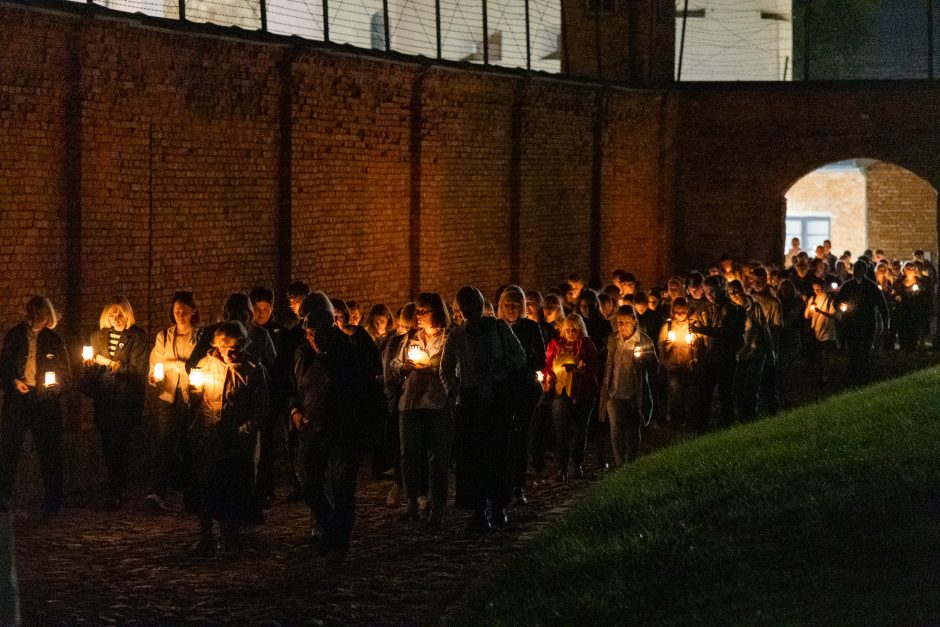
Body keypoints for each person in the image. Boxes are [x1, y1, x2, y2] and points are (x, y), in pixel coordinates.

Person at [292, 293, 379, 558]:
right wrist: (295, 412)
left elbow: (366, 391)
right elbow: (295, 388)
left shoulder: (350, 354)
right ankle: (331, 529)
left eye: (317, 332)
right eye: (308, 333)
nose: (313, 338)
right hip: (312, 430)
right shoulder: (303, 353)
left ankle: (339, 541)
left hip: (343, 431)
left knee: (342, 489)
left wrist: (363, 428)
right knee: (310, 485)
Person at [441, 285, 525, 531]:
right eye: (465, 305)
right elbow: (445, 369)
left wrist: (501, 367)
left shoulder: (498, 328)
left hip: (498, 399)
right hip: (470, 401)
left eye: (474, 304)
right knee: (473, 458)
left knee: (498, 454)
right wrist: (455, 390)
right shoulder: (457, 336)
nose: (471, 310)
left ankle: (499, 506)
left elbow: (519, 356)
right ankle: (478, 510)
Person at [187, 321, 269, 556]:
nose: (228, 353)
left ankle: (231, 535)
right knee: (206, 485)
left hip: (237, 440)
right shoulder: (206, 365)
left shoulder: (253, 370)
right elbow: (195, 401)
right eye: (224, 348)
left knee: (234, 487)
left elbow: (262, 408)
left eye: (233, 348)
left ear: (242, 345)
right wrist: (193, 392)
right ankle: (205, 536)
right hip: (210, 436)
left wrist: (247, 428)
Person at [0, 297, 72, 516]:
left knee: (50, 452)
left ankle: (52, 501)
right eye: (30, 316)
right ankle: (3, 496)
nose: (33, 322)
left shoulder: (53, 340)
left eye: (38, 317)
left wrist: (56, 387)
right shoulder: (14, 336)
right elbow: (3, 366)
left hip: (45, 404)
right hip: (19, 402)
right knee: (9, 450)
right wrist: (14, 382)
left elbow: (67, 375)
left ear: (46, 317)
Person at [390, 293, 451, 525]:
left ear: (436, 311)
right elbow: (395, 363)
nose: (419, 315)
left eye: (424, 310)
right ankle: (412, 503)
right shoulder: (411, 338)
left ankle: (437, 508)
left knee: (437, 458)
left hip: (436, 403)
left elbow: (447, 365)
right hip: (411, 403)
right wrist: (404, 367)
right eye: (417, 310)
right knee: (409, 455)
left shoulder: (447, 338)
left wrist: (429, 366)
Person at [83, 298, 148, 510]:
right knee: (107, 445)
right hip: (104, 400)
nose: (116, 319)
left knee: (120, 445)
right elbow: (93, 371)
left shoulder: (136, 336)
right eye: (112, 314)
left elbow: (136, 370)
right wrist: (91, 365)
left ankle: (117, 490)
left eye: (120, 314)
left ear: (128, 314)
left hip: (124, 401)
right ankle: (114, 487)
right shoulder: (97, 337)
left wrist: (111, 363)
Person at [146, 291, 200, 512]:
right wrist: (153, 376)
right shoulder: (164, 336)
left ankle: (190, 493)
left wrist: (178, 366)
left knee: (189, 444)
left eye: (185, 312)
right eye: (177, 311)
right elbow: (155, 363)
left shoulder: (198, 336)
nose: (180, 315)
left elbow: (196, 365)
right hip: (168, 396)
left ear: (193, 312)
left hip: (190, 397)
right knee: (165, 443)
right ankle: (159, 492)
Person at [498, 286, 545, 505]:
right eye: (508, 305)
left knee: (520, 437)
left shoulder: (530, 328)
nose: (512, 310)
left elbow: (540, 360)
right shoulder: (496, 328)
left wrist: (520, 364)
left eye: (516, 306)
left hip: (524, 389)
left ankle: (518, 484)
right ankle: (502, 483)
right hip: (501, 391)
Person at [539, 313, 599, 482]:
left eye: (575, 328)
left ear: (580, 329)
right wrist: (548, 376)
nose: (571, 331)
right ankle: (562, 468)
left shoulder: (586, 345)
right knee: (561, 432)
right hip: (561, 393)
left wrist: (579, 370)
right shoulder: (555, 345)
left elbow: (595, 368)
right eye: (568, 328)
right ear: (563, 330)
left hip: (582, 394)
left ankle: (578, 464)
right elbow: (548, 365)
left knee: (580, 431)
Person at [599, 305, 657, 467]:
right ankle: (619, 464)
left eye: (626, 322)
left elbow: (655, 368)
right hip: (614, 393)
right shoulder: (612, 339)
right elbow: (604, 358)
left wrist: (643, 360)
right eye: (619, 322)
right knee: (616, 429)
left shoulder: (643, 341)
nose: (622, 326)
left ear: (634, 321)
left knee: (632, 429)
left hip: (633, 394)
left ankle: (630, 464)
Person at [836, 260, 889, 386]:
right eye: (855, 270)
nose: (856, 272)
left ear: (864, 271)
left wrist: (886, 326)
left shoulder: (871, 287)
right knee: (853, 351)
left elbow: (883, 307)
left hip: (867, 324)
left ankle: (863, 377)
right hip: (851, 324)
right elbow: (836, 302)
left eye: (859, 270)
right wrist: (841, 306)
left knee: (864, 351)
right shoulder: (847, 286)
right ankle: (854, 377)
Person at [727, 280, 773, 422]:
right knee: (737, 388)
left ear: (742, 290)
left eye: (736, 290)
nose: (734, 294)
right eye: (731, 292)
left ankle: (752, 417)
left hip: (756, 351)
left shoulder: (754, 307)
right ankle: (742, 417)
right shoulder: (730, 310)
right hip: (740, 354)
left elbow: (764, 328)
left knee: (751, 386)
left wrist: (770, 350)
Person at [657, 298, 700, 429]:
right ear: (673, 311)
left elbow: (699, 342)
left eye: (682, 311)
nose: (680, 314)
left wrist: (695, 346)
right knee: (675, 393)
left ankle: (691, 420)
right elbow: (660, 344)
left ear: (687, 310)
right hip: (673, 366)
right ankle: (676, 420)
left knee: (690, 394)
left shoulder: (692, 325)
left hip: (689, 365)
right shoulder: (668, 326)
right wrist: (666, 347)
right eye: (677, 312)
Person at [805, 278, 838, 384]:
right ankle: (820, 376)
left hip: (828, 333)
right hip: (816, 333)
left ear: (824, 287)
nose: (816, 291)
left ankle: (826, 376)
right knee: (818, 356)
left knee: (826, 356)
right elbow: (806, 316)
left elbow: (835, 316)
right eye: (815, 289)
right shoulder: (813, 298)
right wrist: (811, 309)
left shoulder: (830, 299)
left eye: (818, 289)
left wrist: (820, 311)